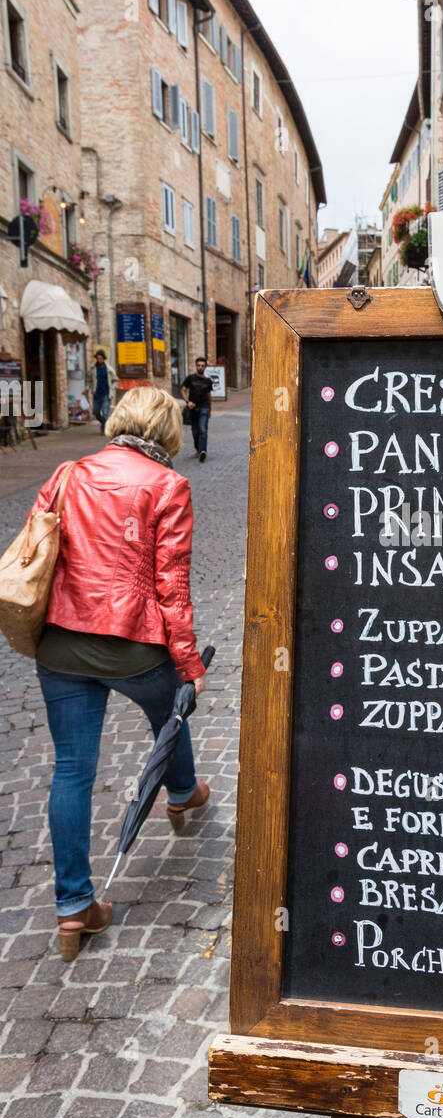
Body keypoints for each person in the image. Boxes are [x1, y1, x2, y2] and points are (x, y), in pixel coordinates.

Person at [30, 387, 209, 960]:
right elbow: (170, 585)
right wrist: (189, 662)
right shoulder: (167, 485)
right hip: (132, 641)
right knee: (172, 707)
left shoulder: (67, 472)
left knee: (72, 768)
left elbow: (40, 549)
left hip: (60, 640)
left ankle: (73, 906)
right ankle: (181, 793)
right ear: (169, 432)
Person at [181, 357, 214, 461]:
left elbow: (209, 396)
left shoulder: (208, 381)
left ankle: (203, 451)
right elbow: (183, 390)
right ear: (196, 366)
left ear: (205, 367)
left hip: (204, 407)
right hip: (193, 408)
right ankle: (198, 449)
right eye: (198, 365)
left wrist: (210, 409)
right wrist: (187, 401)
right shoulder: (190, 378)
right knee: (195, 431)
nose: (200, 367)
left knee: (203, 429)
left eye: (202, 366)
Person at [85, 350, 118, 434]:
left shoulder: (109, 369)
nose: (99, 360)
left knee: (105, 412)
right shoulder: (93, 368)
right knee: (95, 412)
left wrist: (113, 388)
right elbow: (88, 379)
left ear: (104, 359)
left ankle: (104, 430)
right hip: (96, 393)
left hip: (106, 394)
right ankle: (104, 422)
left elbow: (115, 380)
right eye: (98, 358)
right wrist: (87, 388)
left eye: (101, 358)